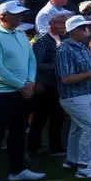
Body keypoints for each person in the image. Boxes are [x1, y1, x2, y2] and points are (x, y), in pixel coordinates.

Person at [0, 1, 45, 181]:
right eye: (16, 14)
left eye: (21, 14)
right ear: (2, 17)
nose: (20, 17)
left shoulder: (20, 34)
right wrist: (23, 85)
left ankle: (17, 170)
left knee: (18, 132)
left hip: (22, 91)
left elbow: (31, 59)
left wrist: (29, 82)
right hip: (0, 94)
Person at [55, 14, 91, 179]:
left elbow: (90, 71)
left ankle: (72, 161)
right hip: (73, 96)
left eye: (87, 27)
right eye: (82, 28)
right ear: (72, 30)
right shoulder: (64, 49)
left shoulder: (83, 47)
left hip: (87, 94)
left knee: (78, 128)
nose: (87, 30)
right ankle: (84, 166)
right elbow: (65, 78)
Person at [27, 11, 69, 159]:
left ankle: (55, 147)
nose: (63, 26)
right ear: (51, 24)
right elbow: (36, 63)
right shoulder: (42, 41)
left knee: (58, 116)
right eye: (60, 23)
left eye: (65, 23)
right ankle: (33, 148)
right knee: (40, 117)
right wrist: (38, 80)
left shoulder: (65, 39)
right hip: (45, 85)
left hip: (59, 85)